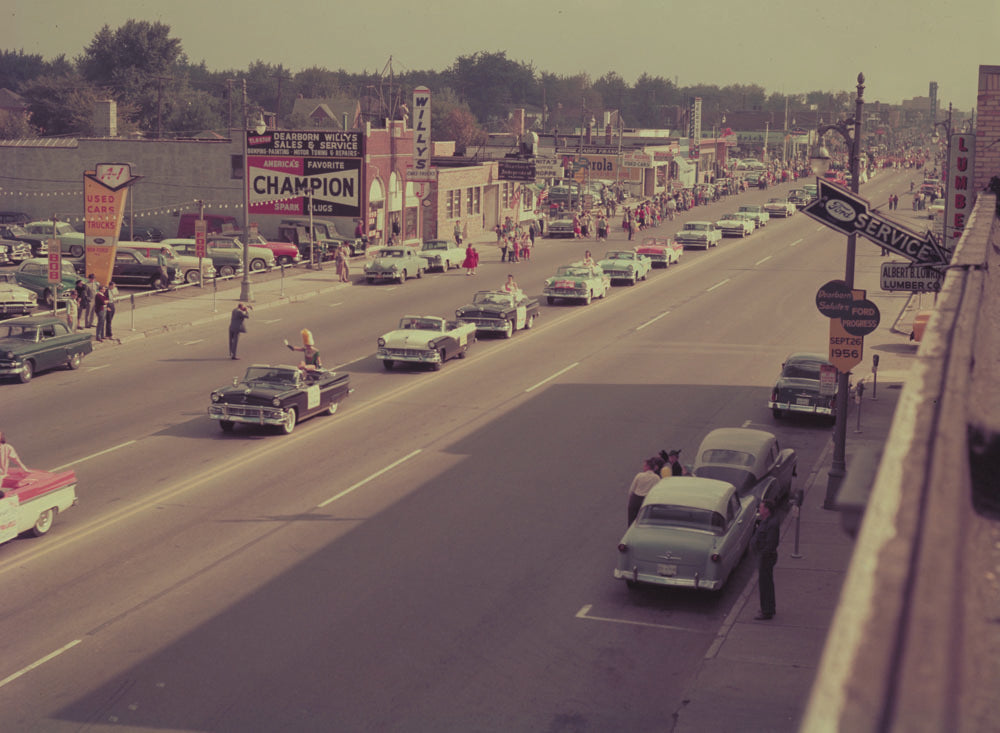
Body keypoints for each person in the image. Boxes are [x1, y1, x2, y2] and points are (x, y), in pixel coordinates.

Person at [754, 499, 780, 620]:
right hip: (764, 557)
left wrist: (762, 554)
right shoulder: (766, 521)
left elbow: (771, 544)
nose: (759, 509)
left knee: (765, 585)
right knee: (765, 584)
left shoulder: (772, 524)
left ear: (767, 510)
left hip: (766, 558)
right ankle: (768, 608)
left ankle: (767, 611)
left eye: (761, 507)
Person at [627, 456, 664, 526]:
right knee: (642, 523)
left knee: (631, 522)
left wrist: (630, 501)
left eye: (644, 465)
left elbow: (631, 490)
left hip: (635, 500)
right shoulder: (656, 478)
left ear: (647, 467)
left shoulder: (639, 475)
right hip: (645, 501)